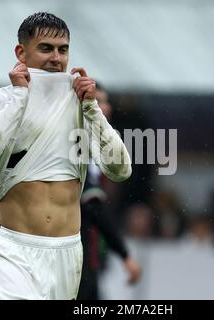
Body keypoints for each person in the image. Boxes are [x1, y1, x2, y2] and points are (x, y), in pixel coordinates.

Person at [0, 12, 132, 300]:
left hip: (66, 253)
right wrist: (20, 97)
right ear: (21, 52)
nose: (56, 57)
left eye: (63, 49)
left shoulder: (83, 105)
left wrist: (93, 110)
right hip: (14, 251)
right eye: (46, 48)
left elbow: (120, 169)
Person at [77, 85, 141, 300]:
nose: (106, 107)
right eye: (99, 101)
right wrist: (125, 254)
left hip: (88, 253)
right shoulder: (77, 143)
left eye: (106, 101)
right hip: (76, 255)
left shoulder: (98, 144)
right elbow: (95, 206)